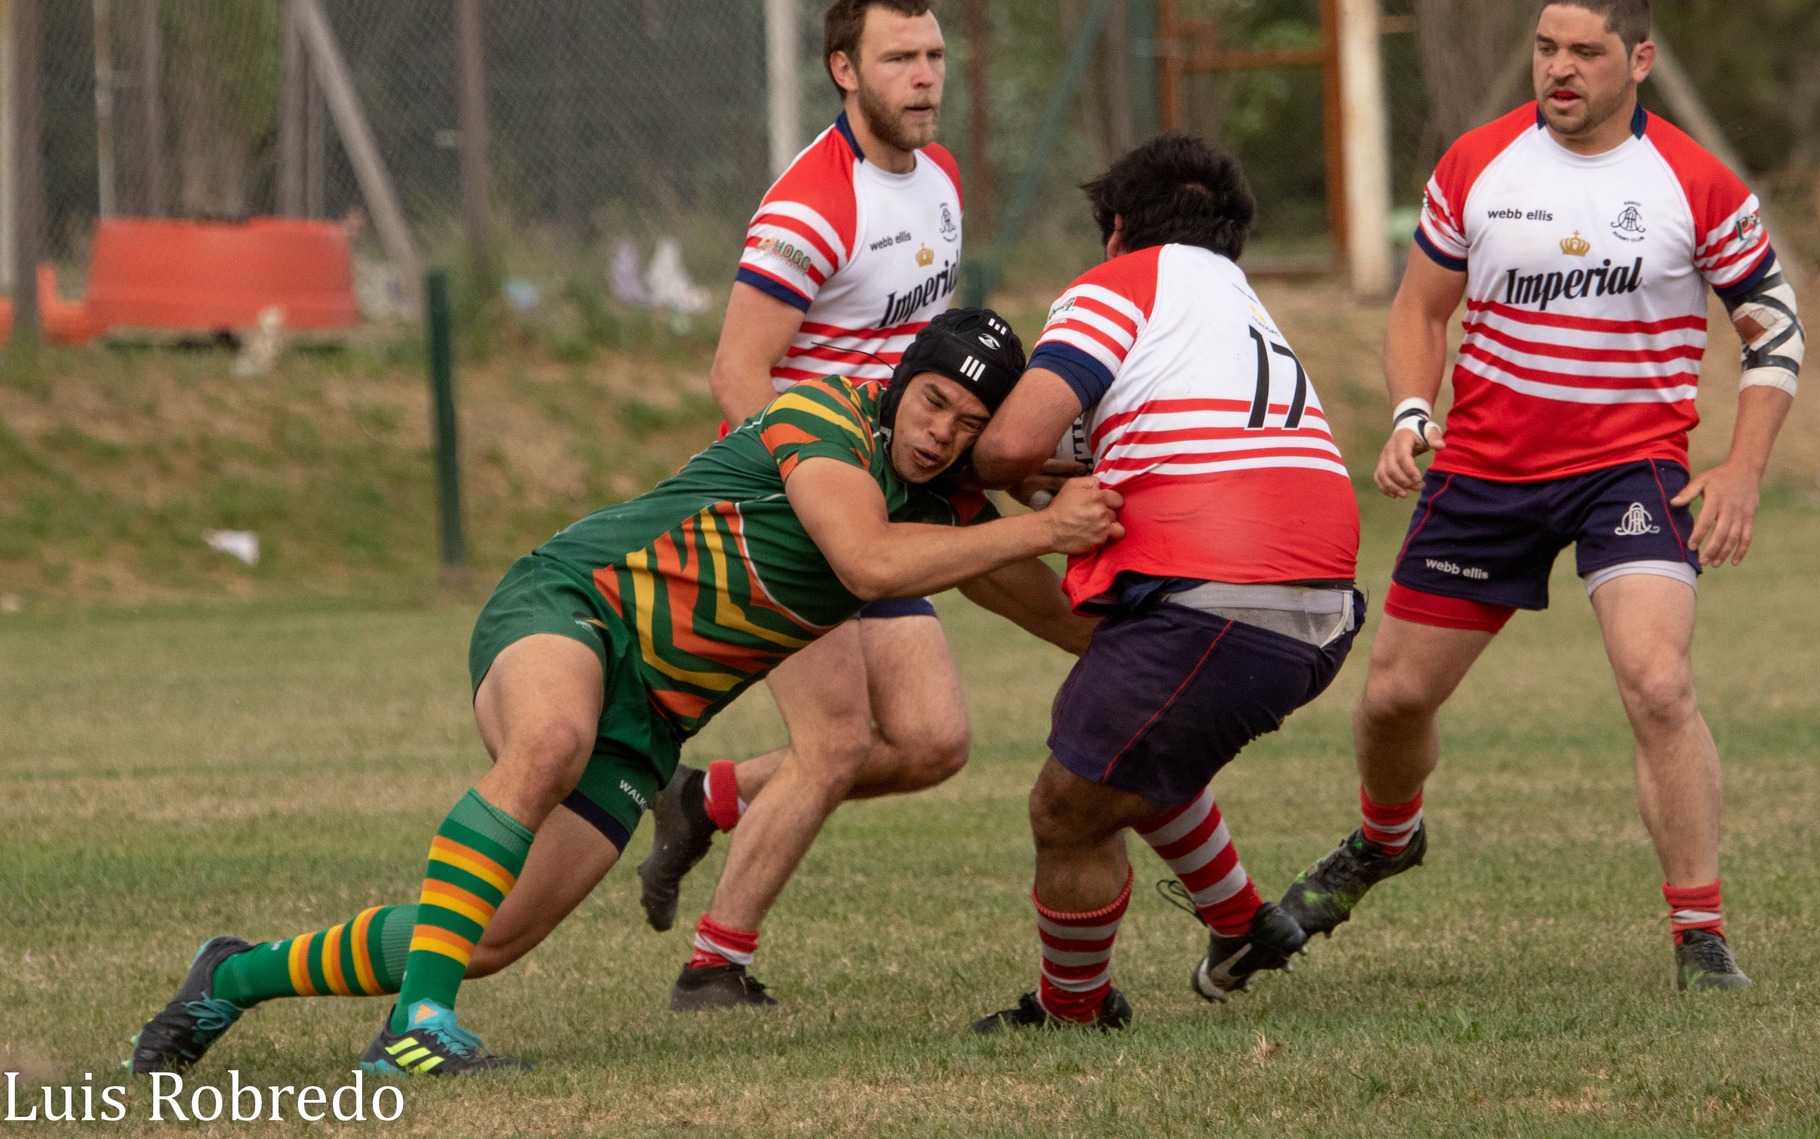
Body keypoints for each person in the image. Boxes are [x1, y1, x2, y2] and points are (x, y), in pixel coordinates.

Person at [127, 310, 1118, 1077]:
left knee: (487, 935)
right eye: (934, 401)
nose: (942, 432)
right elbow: (866, 561)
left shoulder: (950, 511)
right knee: (550, 739)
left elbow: (1057, 617)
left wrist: (1175, 642)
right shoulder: (825, 416)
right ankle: (414, 1029)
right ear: (903, 380)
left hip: (652, 719)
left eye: (970, 425)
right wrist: (1044, 525)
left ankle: (233, 974)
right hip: (574, 605)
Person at [1280, 0, 1803, 992]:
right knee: (1391, 701)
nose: (1559, 69)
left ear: (1638, 61)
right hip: (1485, 470)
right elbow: (1420, 308)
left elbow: (1773, 330)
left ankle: (1700, 934)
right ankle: (1386, 836)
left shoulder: (1693, 182)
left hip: (1629, 470)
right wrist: (1409, 410)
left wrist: (1743, 466)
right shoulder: (1478, 163)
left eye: (1585, 53)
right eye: (1546, 48)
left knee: (1658, 684)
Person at [634, 0, 999, 1011]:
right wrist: (811, 493)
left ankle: (703, 798)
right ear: (844, 70)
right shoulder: (810, 204)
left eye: (933, 56)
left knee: (930, 742)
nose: (924, 77)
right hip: (794, 507)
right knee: (834, 741)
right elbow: (735, 374)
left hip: (880, 498)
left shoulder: (940, 176)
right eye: (899, 59)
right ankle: (714, 966)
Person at [966, 133, 1364, 1031]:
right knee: (1134, 749)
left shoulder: (1118, 285)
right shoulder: (1240, 305)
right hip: (1320, 605)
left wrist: (981, 459)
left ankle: (1074, 1012)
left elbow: (1010, 446)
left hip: (1220, 597)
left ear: (1116, 229)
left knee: (1069, 805)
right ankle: (1242, 922)